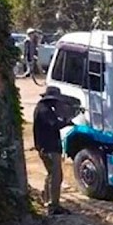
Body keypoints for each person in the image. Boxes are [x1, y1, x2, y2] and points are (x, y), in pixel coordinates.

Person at [34, 85, 72, 214]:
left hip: (44, 147)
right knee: (56, 176)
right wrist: (67, 120)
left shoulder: (41, 108)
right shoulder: (45, 111)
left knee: (50, 174)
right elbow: (54, 125)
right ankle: (53, 206)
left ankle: (46, 199)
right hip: (49, 148)